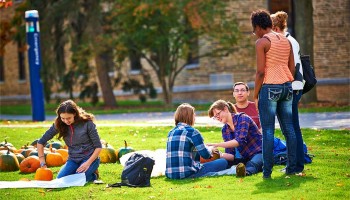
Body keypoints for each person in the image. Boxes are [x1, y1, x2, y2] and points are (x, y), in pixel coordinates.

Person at [251, 9, 297, 178]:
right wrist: (286, 82)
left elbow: (260, 72)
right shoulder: (287, 41)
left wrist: (255, 95)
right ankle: (292, 168)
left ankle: (267, 172)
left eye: (254, 30)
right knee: (289, 129)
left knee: (268, 131)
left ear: (258, 27)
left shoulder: (262, 42)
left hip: (269, 88)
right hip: (287, 86)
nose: (254, 33)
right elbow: (292, 67)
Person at [271, 11, 305, 173]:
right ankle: (297, 163)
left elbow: (288, 68)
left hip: (290, 88)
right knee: (294, 128)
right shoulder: (291, 40)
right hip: (295, 87)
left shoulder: (284, 41)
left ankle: (293, 166)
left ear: (275, 28)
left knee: (289, 129)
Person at [37, 100, 102, 182]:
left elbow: (98, 147)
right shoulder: (59, 124)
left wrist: (87, 163)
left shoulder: (87, 124)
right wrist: (42, 163)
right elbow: (40, 142)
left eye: (69, 118)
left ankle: (94, 175)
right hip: (73, 159)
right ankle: (84, 173)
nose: (66, 121)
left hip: (89, 158)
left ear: (74, 114)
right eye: (63, 118)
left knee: (77, 179)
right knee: (60, 179)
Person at [165, 103, 228, 179]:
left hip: (170, 175)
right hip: (187, 174)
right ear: (190, 117)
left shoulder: (171, 132)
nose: (195, 118)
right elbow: (206, 155)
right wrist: (211, 149)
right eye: (194, 115)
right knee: (223, 162)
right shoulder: (192, 132)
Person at [207, 100, 263, 176]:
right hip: (244, 157)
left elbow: (239, 141)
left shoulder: (243, 118)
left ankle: (245, 172)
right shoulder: (225, 130)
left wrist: (216, 144)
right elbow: (231, 155)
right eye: (215, 117)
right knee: (223, 162)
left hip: (259, 152)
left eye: (218, 114)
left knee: (253, 163)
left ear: (225, 109)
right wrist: (219, 154)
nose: (217, 118)